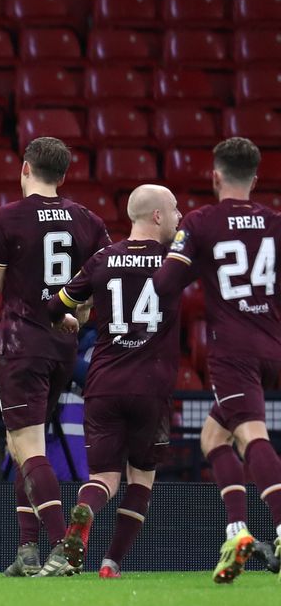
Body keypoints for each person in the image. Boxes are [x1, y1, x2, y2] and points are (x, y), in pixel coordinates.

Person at [0, 137, 111, 576]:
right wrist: (73, 313)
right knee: (18, 443)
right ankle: (27, 550)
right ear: (64, 174)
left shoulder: (8, 216)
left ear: (24, 169)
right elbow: (95, 291)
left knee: (28, 445)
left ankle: (63, 547)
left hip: (23, 345)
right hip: (62, 344)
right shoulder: (88, 220)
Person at [153, 137, 281, 583]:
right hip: (271, 344)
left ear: (215, 175)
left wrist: (177, 249)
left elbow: (167, 284)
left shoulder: (202, 222)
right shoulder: (275, 222)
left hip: (232, 350)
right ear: (255, 178)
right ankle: (238, 531)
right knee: (214, 438)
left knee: (250, 435)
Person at [45, 184, 182, 579]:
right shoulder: (175, 259)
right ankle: (110, 564)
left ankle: (85, 514)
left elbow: (56, 306)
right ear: (157, 216)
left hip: (103, 383)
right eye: (173, 210)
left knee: (102, 479)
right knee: (141, 478)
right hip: (152, 388)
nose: (178, 216)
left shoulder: (103, 258)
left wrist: (72, 316)